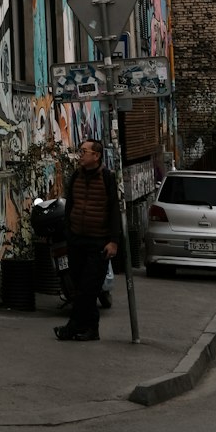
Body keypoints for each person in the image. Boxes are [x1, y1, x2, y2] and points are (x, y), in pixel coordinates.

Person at [54, 138, 122, 342]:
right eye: (80, 151)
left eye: (84, 151)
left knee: (88, 288)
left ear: (96, 155)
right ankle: (91, 329)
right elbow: (70, 205)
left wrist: (113, 241)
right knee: (80, 288)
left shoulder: (107, 178)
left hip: (98, 243)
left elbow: (114, 212)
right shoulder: (76, 176)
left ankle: (72, 327)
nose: (80, 155)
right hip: (77, 241)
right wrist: (69, 233)